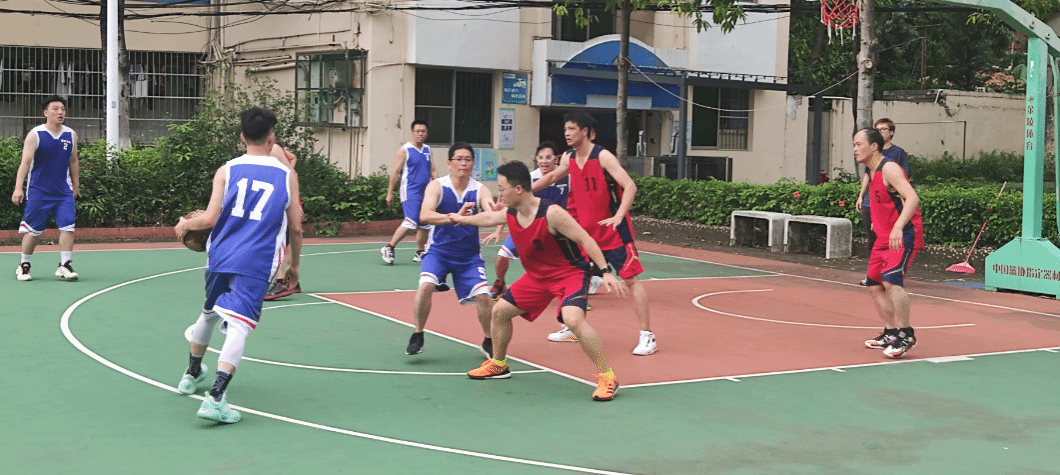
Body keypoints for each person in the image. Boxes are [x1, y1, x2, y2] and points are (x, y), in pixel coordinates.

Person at [453, 160, 628, 401]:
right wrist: (460, 219)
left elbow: (585, 239)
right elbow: (488, 218)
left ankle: (608, 377)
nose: (499, 194)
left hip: (569, 274)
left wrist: (605, 271)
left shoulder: (552, 214)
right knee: (500, 312)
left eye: (502, 188)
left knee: (573, 319)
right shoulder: (511, 213)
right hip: (537, 277)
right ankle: (499, 364)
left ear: (518, 189)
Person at [174, 107, 303, 423]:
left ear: (242, 137)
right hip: (257, 260)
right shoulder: (286, 175)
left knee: (209, 312)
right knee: (240, 325)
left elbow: (209, 218)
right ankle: (216, 398)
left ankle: (191, 373)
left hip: (220, 255)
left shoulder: (226, 170)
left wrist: (184, 225)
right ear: (272, 138)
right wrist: (294, 266)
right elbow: (296, 227)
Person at [533, 110, 657, 356]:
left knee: (631, 280)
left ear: (585, 132)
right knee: (574, 277)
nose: (567, 133)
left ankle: (647, 335)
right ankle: (572, 326)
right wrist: (523, 192)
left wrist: (619, 216)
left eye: (571, 129)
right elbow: (551, 177)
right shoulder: (568, 157)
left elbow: (630, 185)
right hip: (586, 235)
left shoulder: (603, 156)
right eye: (565, 129)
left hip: (613, 233)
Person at [404, 142, 495, 357]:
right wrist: (452, 217)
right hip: (439, 252)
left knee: (484, 296)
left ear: (473, 164)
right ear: (449, 163)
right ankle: (418, 334)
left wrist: (495, 211)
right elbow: (425, 215)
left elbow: (491, 212)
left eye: (468, 160)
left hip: (469, 256)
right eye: (459, 159)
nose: (463, 163)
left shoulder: (480, 189)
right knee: (425, 286)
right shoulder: (437, 185)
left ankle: (488, 340)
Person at [853, 127, 923, 359]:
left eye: (858, 144)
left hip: (903, 235)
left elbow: (912, 198)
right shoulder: (871, 171)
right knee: (874, 284)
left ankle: (906, 334)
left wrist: (898, 227)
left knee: (890, 281)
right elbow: (882, 201)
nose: (855, 149)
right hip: (884, 236)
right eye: (854, 145)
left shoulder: (889, 167)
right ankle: (891, 332)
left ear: (874, 146)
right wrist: (879, 222)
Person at [484, 141, 569, 299]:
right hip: (527, 226)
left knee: (568, 263)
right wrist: (498, 230)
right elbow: (512, 206)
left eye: (548, 157)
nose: (544, 161)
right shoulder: (529, 179)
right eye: (540, 158)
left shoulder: (567, 178)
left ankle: (573, 294)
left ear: (556, 159)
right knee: (502, 256)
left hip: (555, 228)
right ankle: (500, 283)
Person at [11, 95, 80, 282]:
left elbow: (74, 161)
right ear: (46, 113)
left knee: (68, 226)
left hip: (63, 191)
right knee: (33, 230)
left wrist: (76, 184)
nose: (60, 112)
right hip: (38, 191)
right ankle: (24, 265)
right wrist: (18, 188)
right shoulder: (36, 134)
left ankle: (65, 265)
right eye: (55, 109)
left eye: (63, 109)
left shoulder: (71, 135)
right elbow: (25, 163)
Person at [856, 118, 910, 285]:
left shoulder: (896, 155)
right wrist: (861, 195)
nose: (880, 132)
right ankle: (873, 274)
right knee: (872, 240)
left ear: (891, 132)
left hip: (888, 205)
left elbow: (907, 188)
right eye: (877, 129)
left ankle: (890, 272)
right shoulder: (871, 157)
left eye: (884, 129)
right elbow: (867, 175)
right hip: (871, 202)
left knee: (888, 241)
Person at [382, 120, 436, 265]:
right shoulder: (404, 150)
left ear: (426, 133)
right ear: (412, 132)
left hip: (425, 192)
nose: (420, 134)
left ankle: (420, 252)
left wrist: (439, 187)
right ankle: (389, 248)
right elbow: (395, 172)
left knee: (425, 222)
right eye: (417, 131)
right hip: (410, 191)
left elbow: (432, 170)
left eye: (423, 131)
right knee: (411, 221)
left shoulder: (428, 150)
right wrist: (389, 192)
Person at [264, 142, 305, 300]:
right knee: (284, 238)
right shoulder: (271, 148)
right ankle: (290, 280)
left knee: (275, 237)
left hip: (284, 196)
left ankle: (280, 281)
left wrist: (296, 203)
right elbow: (293, 159)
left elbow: (291, 173)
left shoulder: (273, 148)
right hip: (280, 194)